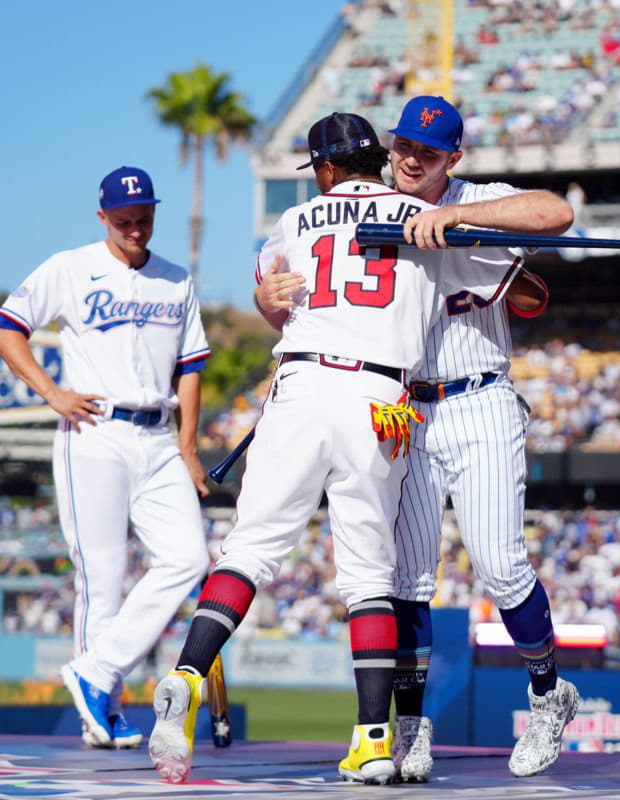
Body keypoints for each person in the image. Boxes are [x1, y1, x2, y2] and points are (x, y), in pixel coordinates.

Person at [148, 112, 523, 785]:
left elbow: (275, 297)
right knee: (370, 578)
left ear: (323, 169)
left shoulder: (293, 225)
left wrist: (267, 295)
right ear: (378, 159)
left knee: (249, 551)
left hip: (298, 383)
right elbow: (516, 272)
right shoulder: (418, 214)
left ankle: (186, 674)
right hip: (378, 401)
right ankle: (374, 742)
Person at [387, 95, 578, 780]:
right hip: (405, 408)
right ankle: (409, 723)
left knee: (499, 564)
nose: (412, 159)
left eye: (428, 152)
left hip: (479, 397)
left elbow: (556, 213)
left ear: (452, 159)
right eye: (404, 144)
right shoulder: (372, 203)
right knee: (406, 577)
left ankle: (548, 694)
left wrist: (455, 215)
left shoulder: (478, 198)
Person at [0, 166, 212, 749]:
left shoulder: (176, 279)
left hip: (159, 436)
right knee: (103, 580)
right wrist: (51, 392)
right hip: (95, 431)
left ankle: (95, 673)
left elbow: (191, 369)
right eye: (123, 220)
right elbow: (6, 328)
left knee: (188, 559)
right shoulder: (70, 267)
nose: (135, 228)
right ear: (102, 217)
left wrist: (188, 449)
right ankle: (102, 706)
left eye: (143, 218)